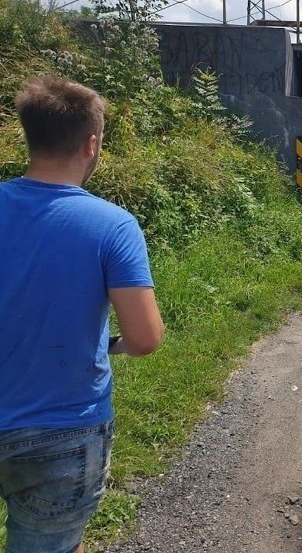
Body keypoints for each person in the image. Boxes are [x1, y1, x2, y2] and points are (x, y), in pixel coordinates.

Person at [0, 75, 165, 553]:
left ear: (29, 136)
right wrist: (113, 343)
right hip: (63, 430)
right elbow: (146, 338)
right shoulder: (111, 225)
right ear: (91, 144)